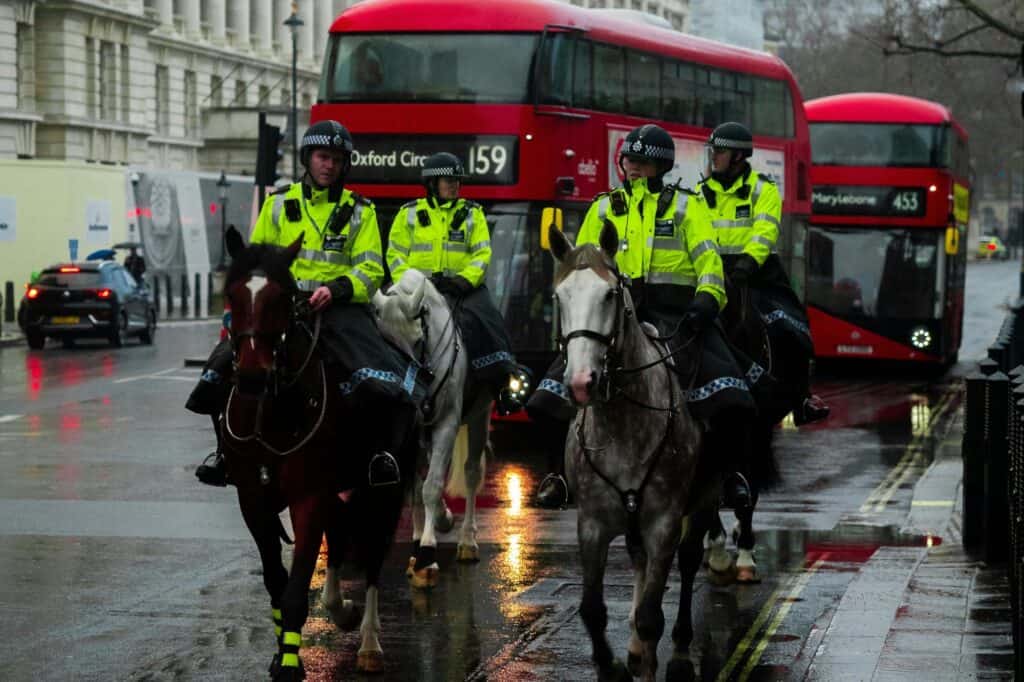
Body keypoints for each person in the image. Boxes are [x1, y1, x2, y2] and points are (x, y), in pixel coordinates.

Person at [528, 123, 760, 509]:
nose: (633, 167)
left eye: (642, 161)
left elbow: (709, 264)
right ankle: (557, 475)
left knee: (732, 394)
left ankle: (731, 475)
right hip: (616, 313)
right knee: (545, 398)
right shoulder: (603, 207)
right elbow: (581, 266)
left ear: (660, 165)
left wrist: (706, 300)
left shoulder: (687, 205)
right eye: (629, 160)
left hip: (678, 314)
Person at [186, 119, 424, 488]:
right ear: (307, 159)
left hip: (339, 309)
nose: (328, 165)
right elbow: (256, 258)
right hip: (282, 307)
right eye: (322, 157)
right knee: (221, 369)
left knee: (377, 380)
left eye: (336, 159)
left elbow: (371, 268)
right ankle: (224, 452)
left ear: (345, 165)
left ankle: (380, 455)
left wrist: (337, 289)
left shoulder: (361, 210)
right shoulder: (279, 204)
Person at [699, 122, 829, 426]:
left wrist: (747, 263)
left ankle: (802, 398)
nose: (713, 156)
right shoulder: (699, 193)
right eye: (712, 151)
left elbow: (765, 229)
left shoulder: (764, 189)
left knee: (791, 326)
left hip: (756, 273)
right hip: (714, 272)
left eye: (719, 151)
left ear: (738, 156)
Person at [387, 152, 526, 413]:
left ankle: (504, 382)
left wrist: (464, 280)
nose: (454, 185)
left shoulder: (472, 213)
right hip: (417, 291)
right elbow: (394, 255)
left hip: (462, 290)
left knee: (489, 322)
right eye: (447, 180)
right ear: (431, 183)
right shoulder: (409, 214)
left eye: (457, 180)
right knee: (385, 321)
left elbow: (482, 253)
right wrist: (411, 284)